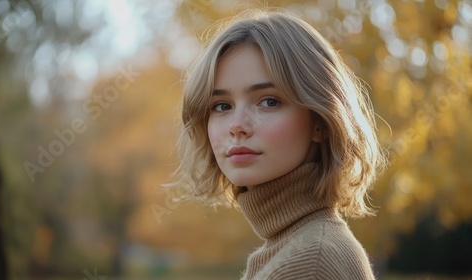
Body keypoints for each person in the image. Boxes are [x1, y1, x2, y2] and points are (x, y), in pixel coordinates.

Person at [166, 8, 387, 280]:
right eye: (222, 105)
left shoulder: (309, 262)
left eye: (269, 101)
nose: (237, 126)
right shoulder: (296, 246)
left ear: (319, 122)